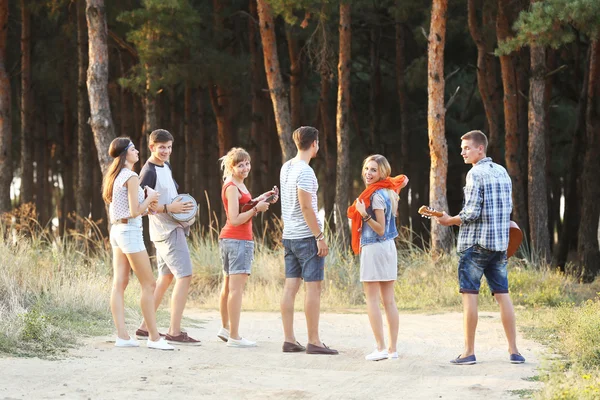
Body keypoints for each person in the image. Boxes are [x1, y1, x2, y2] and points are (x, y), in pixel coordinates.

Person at [435, 130, 525, 365]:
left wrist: (448, 220)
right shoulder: (503, 172)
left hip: (474, 245)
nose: (462, 152)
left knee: (470, 297)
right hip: (499, 245)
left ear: (480, 149)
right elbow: (508, 208)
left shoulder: (475, 174)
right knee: (503, 296)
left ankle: (468, 352)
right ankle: (514, 351)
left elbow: (472, 213)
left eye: (466, 148)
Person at [101, 137, 174, 350]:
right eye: (133, 149)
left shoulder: (115, 176)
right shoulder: (131, 176)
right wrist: (150, 197)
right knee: (149, 284)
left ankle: (123, 336)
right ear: (125, 154)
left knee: (119, 284)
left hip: (117, 230)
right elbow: (135, 211)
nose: (137, 152)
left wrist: (146, 200)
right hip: (130, 231)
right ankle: (153, 337)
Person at [135, 129, 200, 346]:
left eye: (169, 147)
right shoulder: (148, 172)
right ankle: (174, 331)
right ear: (152, 147)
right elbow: (141, 208)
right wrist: (170, 207)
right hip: (167, 232)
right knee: (185, 275)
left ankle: (146, 327)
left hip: (168, 230)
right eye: (162, 147)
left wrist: (181, 208)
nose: (166, 151)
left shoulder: (166, 166)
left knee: (167, 277)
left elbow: (169, 195)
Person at [279, 126, 338, 355]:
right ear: (314, 143)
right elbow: (305, 206)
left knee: (290, 286)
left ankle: (289, 339)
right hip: (306, 236)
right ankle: (314, 341)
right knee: (313, 288)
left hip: (290, 236)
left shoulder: (286, 168)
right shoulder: (305, 171)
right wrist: (319, 237)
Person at [347, 155, 408, 361]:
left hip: (374, 248)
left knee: (372, 299)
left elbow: (381, 229)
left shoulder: (375, 196)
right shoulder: (390, 192)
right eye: (366, 168)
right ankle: (392, 350)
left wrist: (364, 214)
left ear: (382, 172)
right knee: (389, 301)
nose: (368, 173)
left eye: (373, 170)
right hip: (389, 249)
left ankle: (381, 348)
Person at [216, 147, 277, 347]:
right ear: (231, 167)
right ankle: (234, 336)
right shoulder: (232, 186)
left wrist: (261, 199)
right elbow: (234, 219)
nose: (245, 168)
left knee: (228, 287)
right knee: (236, 290)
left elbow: (245, 205)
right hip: (237, 239)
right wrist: (256, 210)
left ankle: (226, 329)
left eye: (247, 164)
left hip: (231, 240)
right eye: (240, 165)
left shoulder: (238, 185)